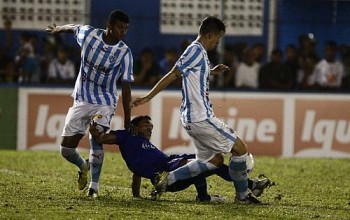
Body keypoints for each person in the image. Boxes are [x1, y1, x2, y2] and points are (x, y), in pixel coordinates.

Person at [131, 16, 261, 204]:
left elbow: (195, 71)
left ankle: (168, 179)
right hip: (201, 117)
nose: (218, 43)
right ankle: (242, 197)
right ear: (209, 34)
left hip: (192, 119)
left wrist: (212, 71)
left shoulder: (200, 54)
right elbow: (173, 74)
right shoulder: (194, 50)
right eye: (217, 39)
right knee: (240, 149)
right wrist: (148, 97)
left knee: (214, 161)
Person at [46, 9, 134, 198]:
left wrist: (128, 119)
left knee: (96, 135)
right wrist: (58, 29)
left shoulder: (124, 53)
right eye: (120, 27)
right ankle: (83, 166)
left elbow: (126, 89)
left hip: (105, 101)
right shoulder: (89, 35)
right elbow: (74, 28)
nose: (123, 32)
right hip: (82, 98)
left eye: (126, 29)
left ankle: (94, 186)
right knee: (66, 149)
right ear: (109, 26)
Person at [89, 115, 272, 201]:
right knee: (207, 162)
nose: (149, 129)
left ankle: (207, 196)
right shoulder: (126, 136)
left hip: (172, 161)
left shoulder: (145, 146)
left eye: (151, 127)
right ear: (134, 126)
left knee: (210, 163)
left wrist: (137, 195)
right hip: (167, 169)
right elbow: (104, 138)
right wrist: (96, 133)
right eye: (146, 125)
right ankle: (247, 186)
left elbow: (136, 171)